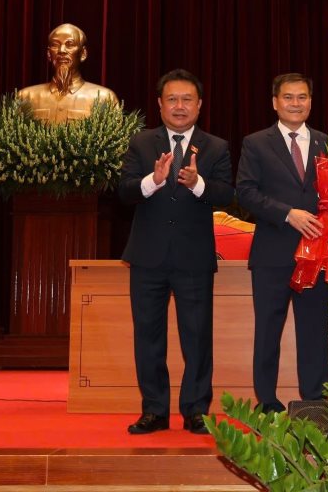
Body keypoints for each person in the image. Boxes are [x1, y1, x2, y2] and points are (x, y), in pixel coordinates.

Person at [236, 73, 328, 412]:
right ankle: (266, 400)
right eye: (289, 97)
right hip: (273, 253)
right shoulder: (256, 143)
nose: (296, 103)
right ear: (275, 102)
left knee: (313, 332)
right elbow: (245, 192)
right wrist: (286, 213)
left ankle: (314, 401)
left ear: (311, 101)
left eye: (302, 97)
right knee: (267, 332)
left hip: (318, 253)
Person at [117, 69, 234, 435]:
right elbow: (123, 191)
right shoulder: (140, 143)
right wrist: (153, 181)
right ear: (160, 104)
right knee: (148, 335)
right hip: (148, 256)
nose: (179, 106)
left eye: (187, 100)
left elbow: (228, 194)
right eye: (172, 99)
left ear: (199, 105)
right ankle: (154, 410)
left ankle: (196, 410)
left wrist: (197, 183)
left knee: (197, 336)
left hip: (194, 258)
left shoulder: (216, 147)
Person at [18, 23, 119, 123]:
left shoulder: (104, 98)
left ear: (83, 54)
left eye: (69, 45)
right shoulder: (26, 96)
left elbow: (114, 137)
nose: (61, 50)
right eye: (55, 45)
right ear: (49, 54)